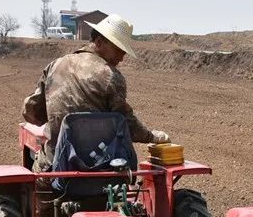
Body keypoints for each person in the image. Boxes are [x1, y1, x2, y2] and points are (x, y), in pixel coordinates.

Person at [22, 12, 168, 173]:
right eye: (119, 50)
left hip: (54, 169)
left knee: (36, 161)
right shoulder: (111, 76)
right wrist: (152, 137)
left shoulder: (55, 66)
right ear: (99, 42)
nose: (122, 57)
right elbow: (126, 123)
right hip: (102, 169)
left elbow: (31, 113)